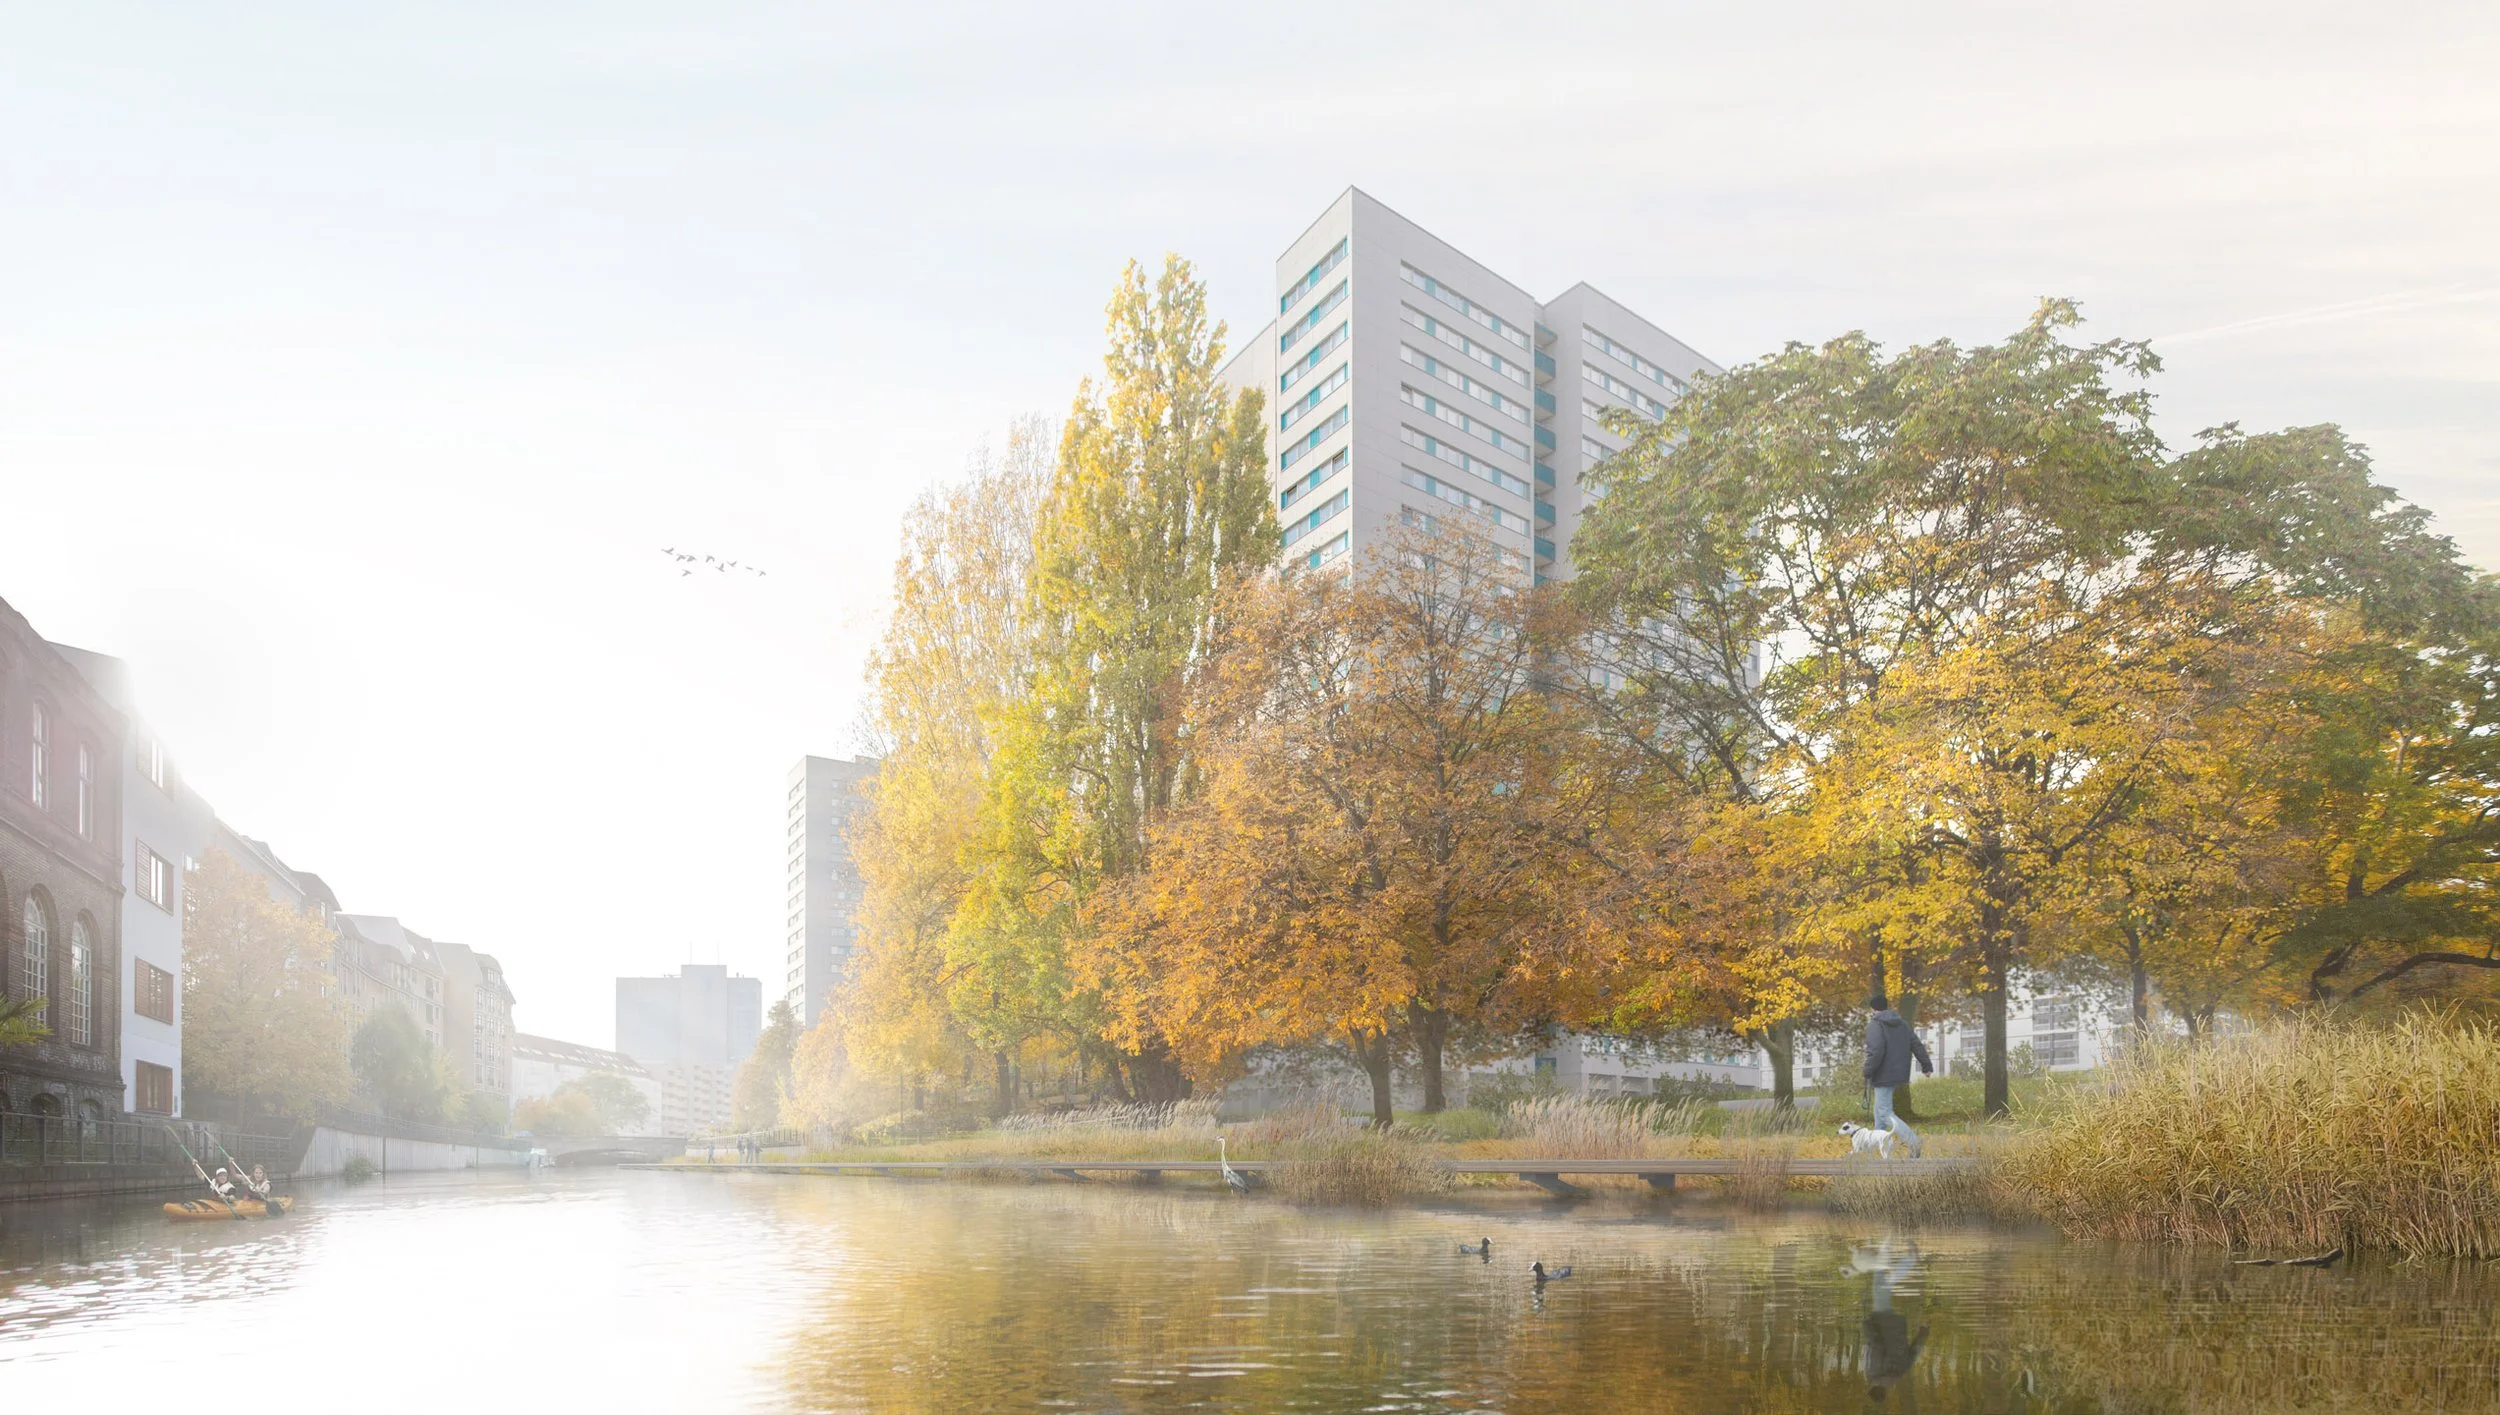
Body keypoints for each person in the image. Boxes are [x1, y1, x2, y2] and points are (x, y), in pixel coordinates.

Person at [1861, 990, 1934, 1158]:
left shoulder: (1875, 1024)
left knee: (1885, 1112)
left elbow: (1876, 1051)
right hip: (1898, 1073)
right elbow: (1916, 1044)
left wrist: (1867, 1070)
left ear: (1873, 1009)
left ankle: (1913, 1142)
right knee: (1879, 1113)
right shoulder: (1902, 1024)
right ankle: (1873, 1151)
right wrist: (1926, 1065)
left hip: (1882, 1074)